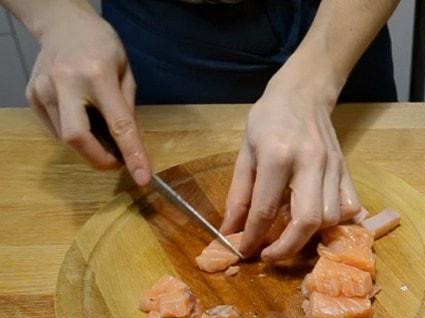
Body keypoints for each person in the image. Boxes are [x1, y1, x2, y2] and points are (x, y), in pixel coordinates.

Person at [2, 0, 399, 261]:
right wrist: (56, 17)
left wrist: (317, 78)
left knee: (340, 196)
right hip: (161, 28)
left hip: (345, 18)